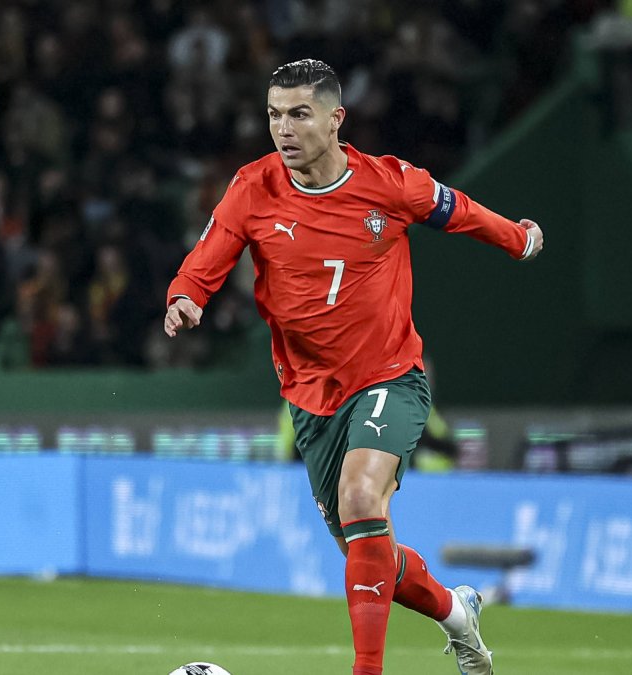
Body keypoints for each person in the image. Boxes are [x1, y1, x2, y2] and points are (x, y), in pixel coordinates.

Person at [164, 59, 542, 675]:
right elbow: (211, 251)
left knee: (363, 495)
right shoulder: (252, 187)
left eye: (298, 114)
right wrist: (186, 295)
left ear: (336, 119)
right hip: (310, 396)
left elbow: (460, 211)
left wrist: (518, 239)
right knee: (367, 549)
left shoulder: (389, 184)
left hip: (389, 376)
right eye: (273, 115)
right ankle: (455, 612)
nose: (283, 129)